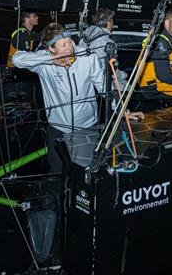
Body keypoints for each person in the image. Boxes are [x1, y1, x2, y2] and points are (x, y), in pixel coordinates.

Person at [12, 23, 143, 174]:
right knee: (57, 172)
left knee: (84, 172)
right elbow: (17, 59)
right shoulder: (43, 63)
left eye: (69, 42)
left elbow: (104, 88)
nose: (69, 47)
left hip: (87, 127)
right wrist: (50, 58)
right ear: (51, 48)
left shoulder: (87, 57)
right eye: (63, 45)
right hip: (58, 129)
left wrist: (122, 111)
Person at [80, 8, 127, 91]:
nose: (113, 24)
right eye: (112, 21)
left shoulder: (82, 39)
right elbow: (113, 71)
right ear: (108, 23)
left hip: (84, 82)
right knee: (127, 88)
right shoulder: (109, 43)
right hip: (102, 82)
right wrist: (124, 75)